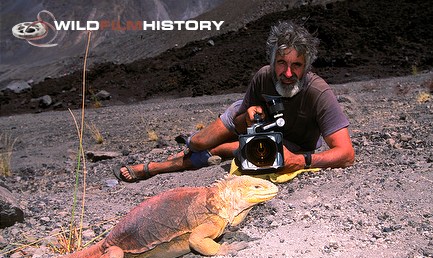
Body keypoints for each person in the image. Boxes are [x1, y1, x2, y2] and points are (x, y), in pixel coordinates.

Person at [114, 21, 355, 182]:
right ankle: (187, 148)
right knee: (199, 142)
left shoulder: (318, 93)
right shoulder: (263, 77)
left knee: (220, 150)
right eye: (282, 63)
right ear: (272, 62)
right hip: (246, 120)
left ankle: (155, 167)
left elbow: (346, 154)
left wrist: (300, 161)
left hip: (285, 144)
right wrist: (248, 115)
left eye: (297, 65)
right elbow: (240, 123)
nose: (288, 73)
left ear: (307, 66)